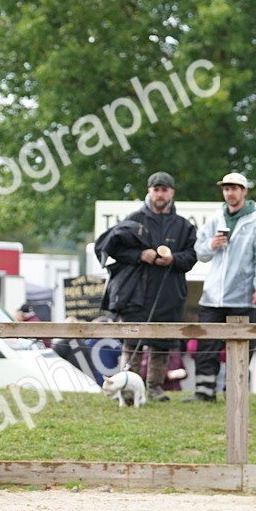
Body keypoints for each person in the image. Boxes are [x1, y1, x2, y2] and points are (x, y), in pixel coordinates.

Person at [96, 171, 197, 401]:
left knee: (161, 342)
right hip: (136, 291)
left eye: (164, 190)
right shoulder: (133, 220)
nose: (159, 194)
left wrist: (173, 259)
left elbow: (192, 257)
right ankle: (126, 386)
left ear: (171, 193)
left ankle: (154, 386)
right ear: (149, 191)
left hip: (169, 291)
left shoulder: (184, 227)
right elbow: (116, 250)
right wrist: (140, 254)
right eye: (156, 189)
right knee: (132, 341)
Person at [187, 171, 256, 402]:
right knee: (207, 344)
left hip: (244, 297)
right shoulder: (217, 217)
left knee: (243, 346)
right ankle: (204, 392)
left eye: (234, 188)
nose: (230, 193)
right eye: (226, 188)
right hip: (213, 295)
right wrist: (211, 244)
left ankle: (235, 392)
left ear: (244, 191)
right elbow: (199, 251)